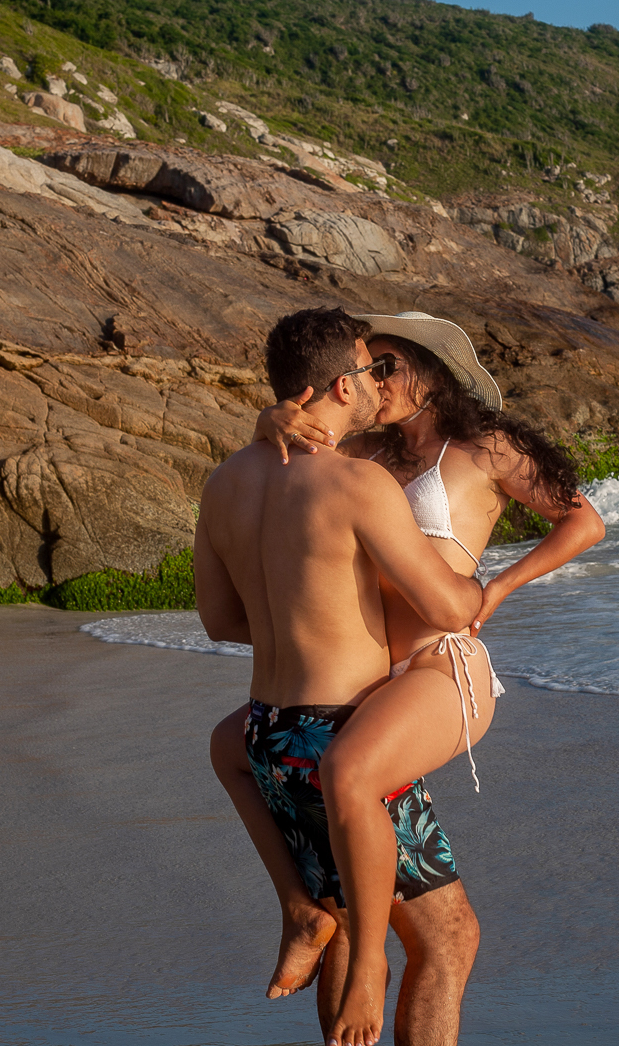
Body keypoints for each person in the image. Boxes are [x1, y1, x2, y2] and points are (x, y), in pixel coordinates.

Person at [210, 310, 606, 1046]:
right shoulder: (360, 453)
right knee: (343, 895)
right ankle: (318, 927)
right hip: (354, 681)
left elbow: (583, 521)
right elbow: (294, 474)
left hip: (431, 663)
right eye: (369, 366)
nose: (376, 379)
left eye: (388, 365)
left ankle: (348, 953)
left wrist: (496, 589)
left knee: (352, 798)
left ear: (432, 372)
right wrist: (273, 417)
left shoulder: (486, 448)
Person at [196, 307, 486, 1046]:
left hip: (270, 736)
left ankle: (320, 932)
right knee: (445, 941)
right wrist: (479, 585)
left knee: (357, 919)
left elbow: (220, 620)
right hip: (341, 735)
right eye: (368, 369)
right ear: (339, 385)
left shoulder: (224, 483)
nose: (377, 382)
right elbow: (448, 607)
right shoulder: (357, 483)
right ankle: (366, 972)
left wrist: (307, 615)